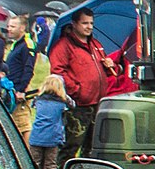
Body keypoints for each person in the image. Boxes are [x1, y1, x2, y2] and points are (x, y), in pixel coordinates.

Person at [47, 9, 121, 158]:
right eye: (85, 23)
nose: (89, 27)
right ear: (74, 24)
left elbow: (109, 71)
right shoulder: (64, 46)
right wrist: (77, 91)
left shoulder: (95, 44)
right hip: (78, 106)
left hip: (97, 104)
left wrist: (111, 66)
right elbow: (57, 72)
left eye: (91, 23)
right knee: (71, 146)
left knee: (93, 147)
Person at [26, 71, 71, 169]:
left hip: (37, 137)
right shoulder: (62, 103)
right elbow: (73, 105)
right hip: (53, 138)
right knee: (50, 164)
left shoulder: (38, 100)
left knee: (35, 163)